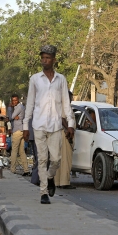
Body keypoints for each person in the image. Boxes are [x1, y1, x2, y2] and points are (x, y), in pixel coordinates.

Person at [23, 45, 75, 205]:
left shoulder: (61, 79)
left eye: (47, 58)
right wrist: (26, 125)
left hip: (55, 125)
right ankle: (43, 192)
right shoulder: (35, 79)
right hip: (38, 124)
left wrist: (71, 124)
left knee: (56, 160)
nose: (44, 60)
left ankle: (50, 178)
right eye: (43, 58)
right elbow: (30, 103)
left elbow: (66, 103)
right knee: (42, 160)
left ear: (53, 60)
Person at [55, 91, 76, 189]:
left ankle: (58, 181)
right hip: (65, 134)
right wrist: (69, 129)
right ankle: (64, 182)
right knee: (66, 159)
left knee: (61, 159)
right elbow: (62, 118)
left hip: (61, 133)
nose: (72, 99)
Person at [9, 94, 30, 176]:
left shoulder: (18, 107)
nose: (14, 102)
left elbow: (11, 117)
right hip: (21, 130)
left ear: (18, 100)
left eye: (15, 100)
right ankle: (26, 169)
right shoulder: (21, 107)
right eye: (13, 100)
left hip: (17, 130)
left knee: (14, 150)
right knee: (21, 151)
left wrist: (10, 109)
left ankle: (13, 169)